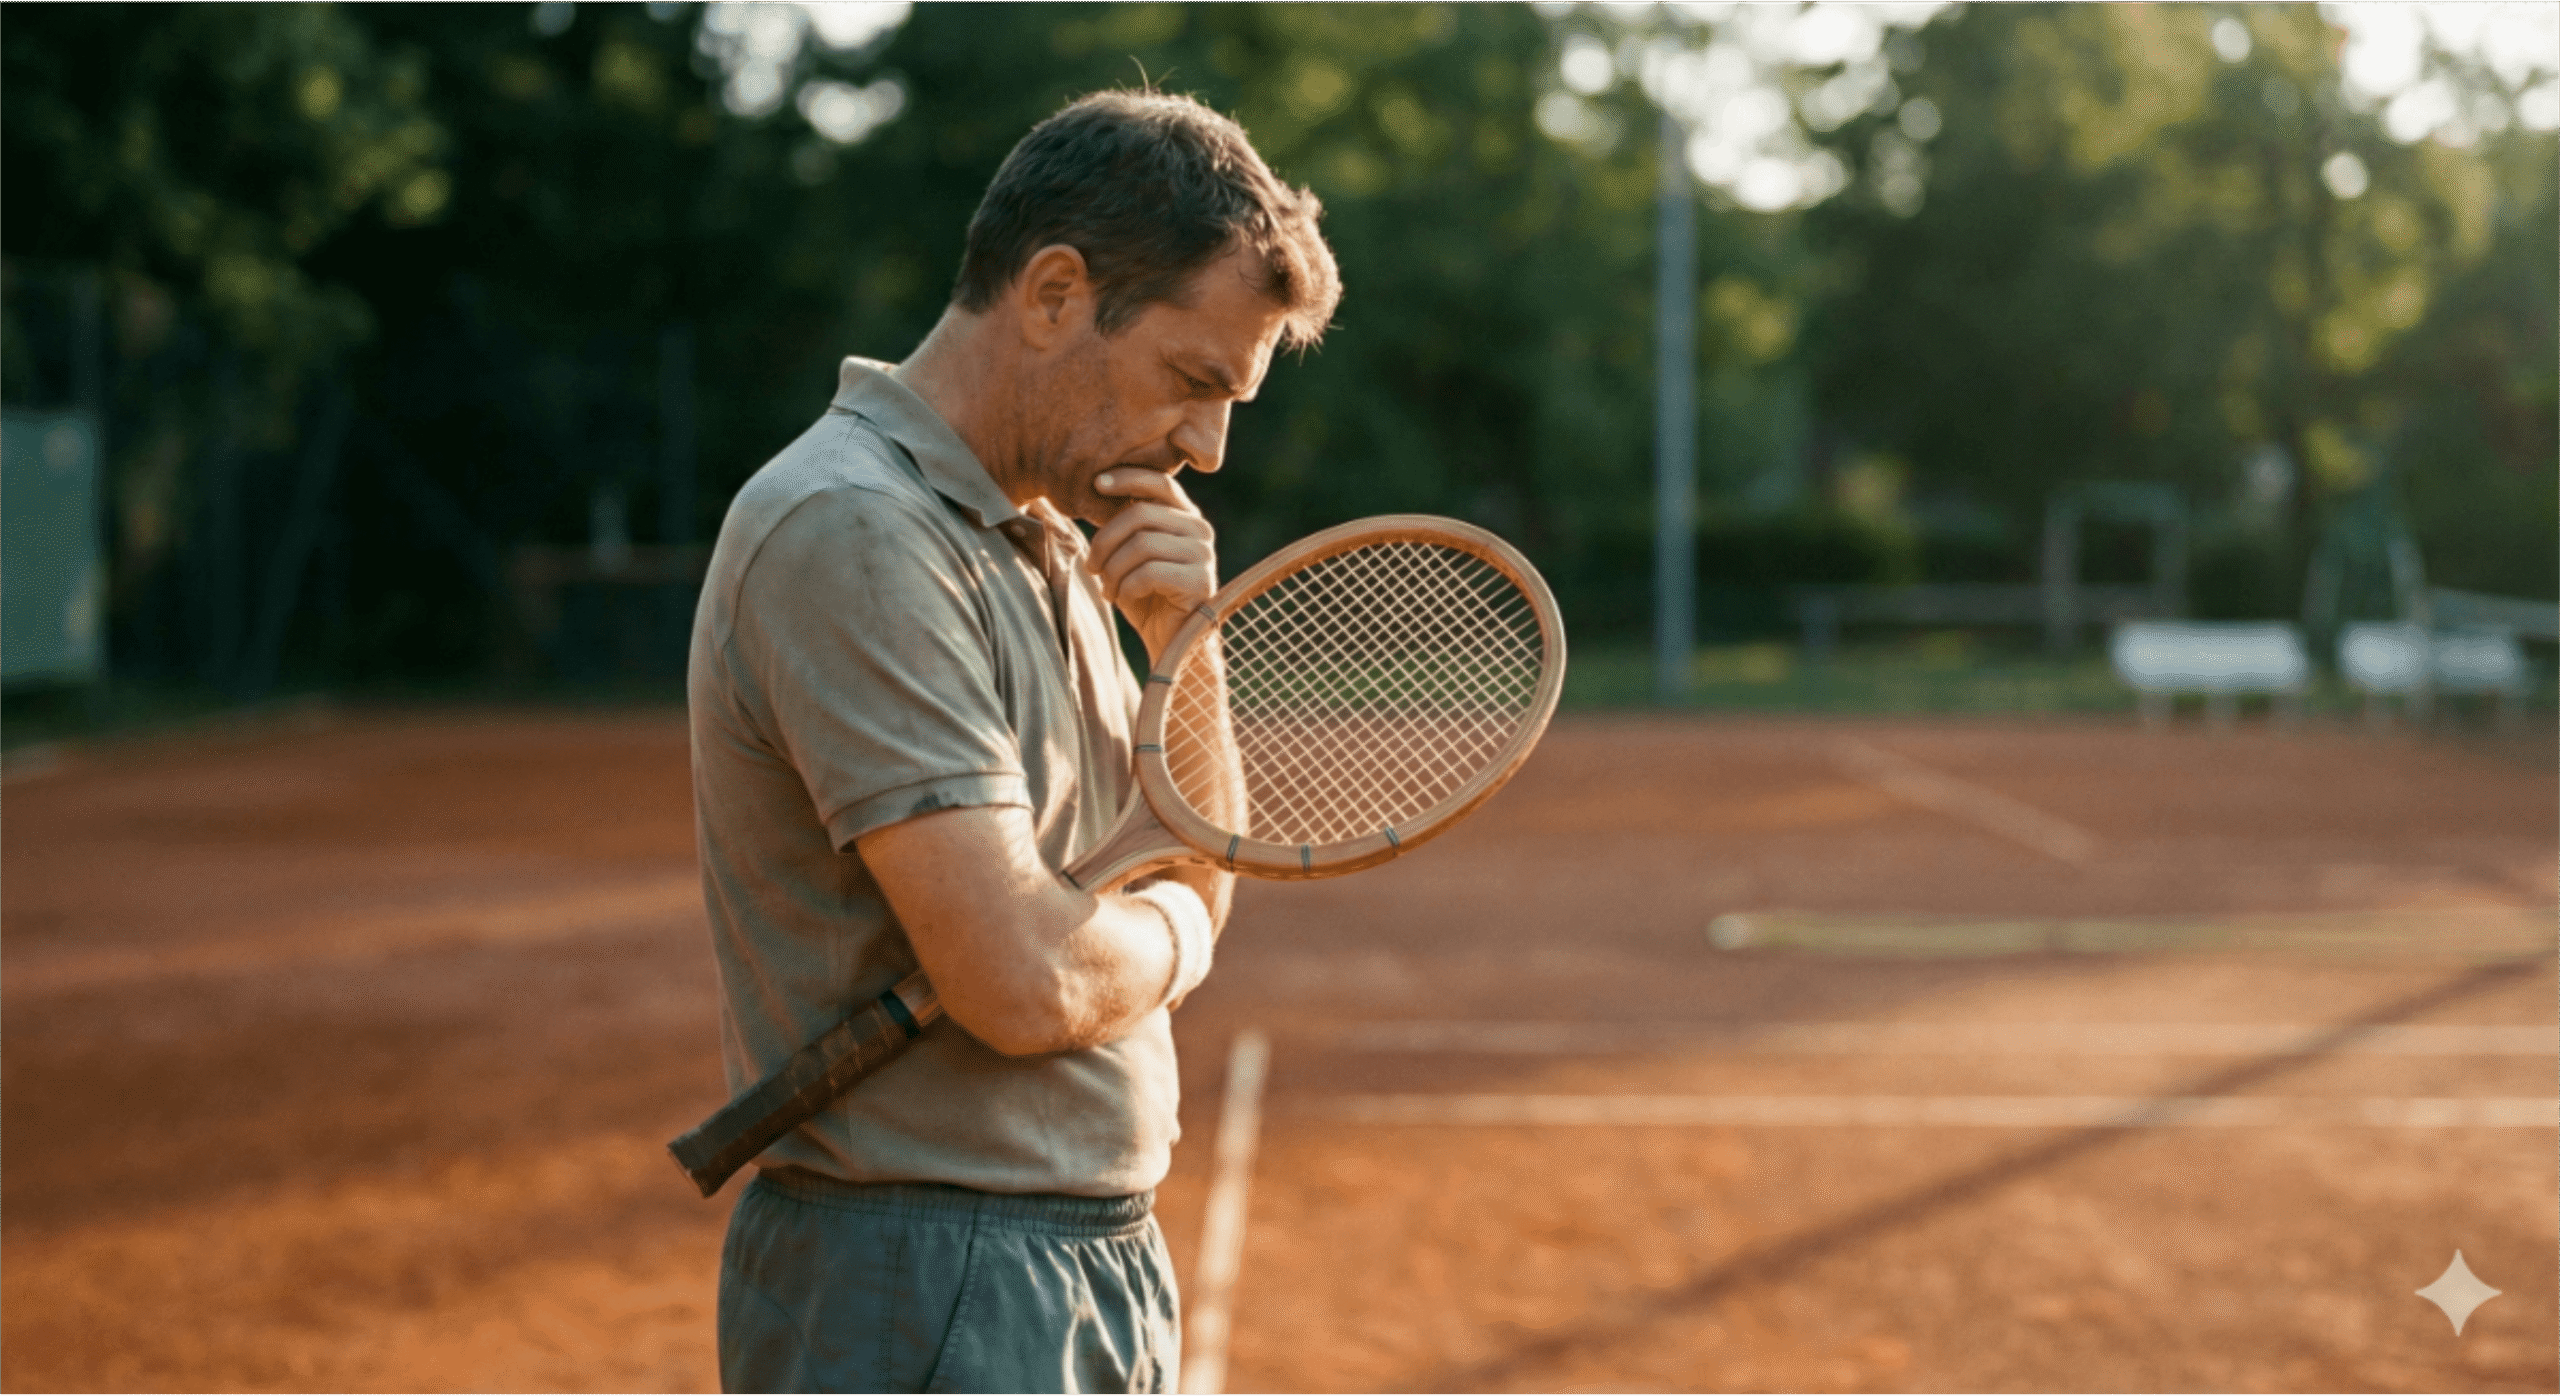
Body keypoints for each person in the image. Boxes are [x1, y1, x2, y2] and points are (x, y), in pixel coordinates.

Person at [686, 89, 1341, 1393]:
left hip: (1069, 1252)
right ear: (1053, 294)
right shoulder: (858, 532)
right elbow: (1025, 979)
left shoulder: (1052, 531)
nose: (1208, 448)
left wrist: (1186, 645)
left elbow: (1195, 848)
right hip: (930, 1277)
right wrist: (1187, 934)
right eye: (1194, 380)